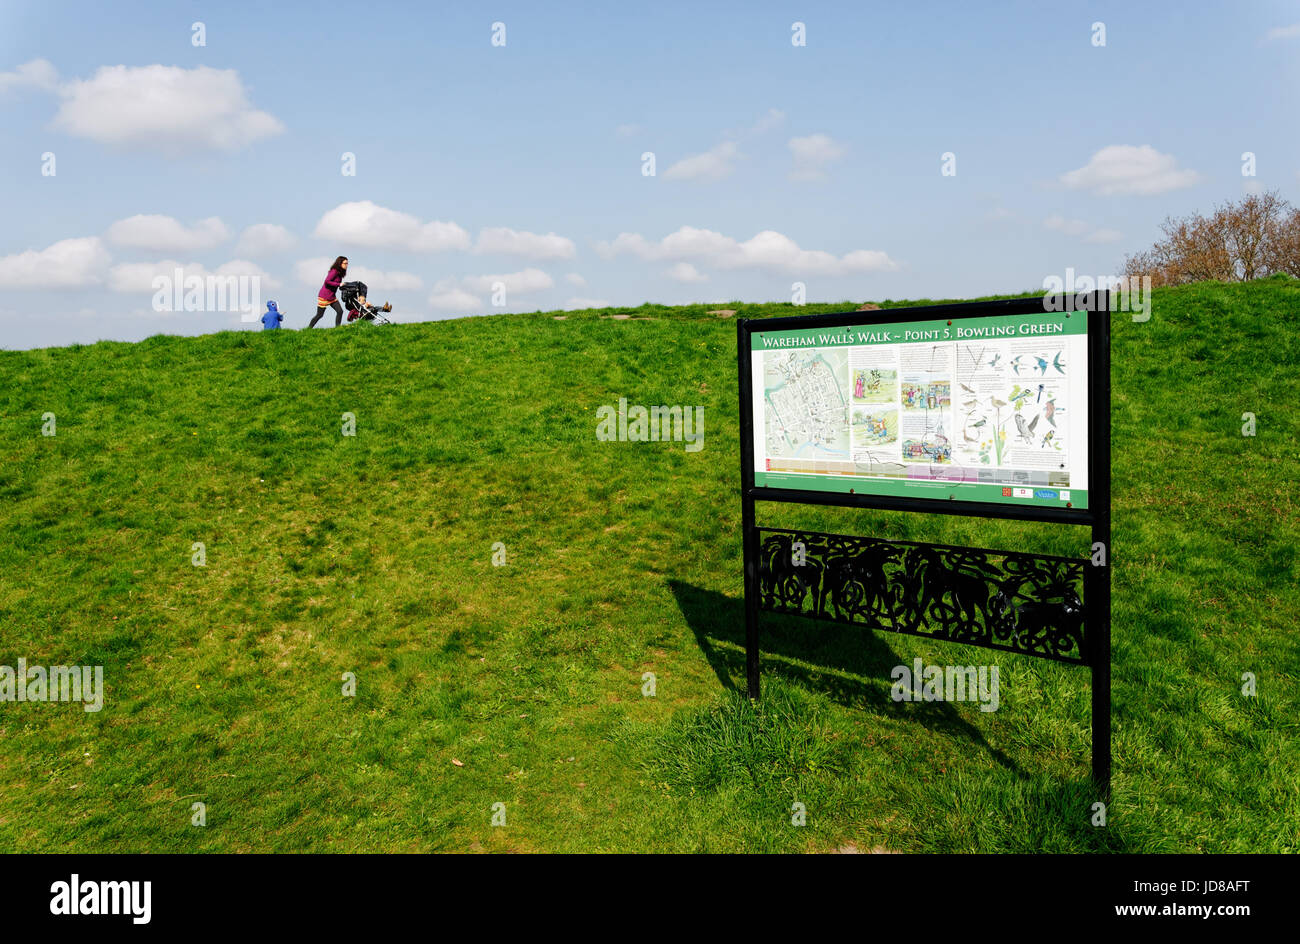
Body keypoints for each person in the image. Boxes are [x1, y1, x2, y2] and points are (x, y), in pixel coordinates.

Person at [308, 256, 348, 327]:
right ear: (340, 263)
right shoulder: (334, 271)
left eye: (347, 263)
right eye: (345, 263)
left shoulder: (340, 273)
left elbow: (336, 285)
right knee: (319, 315)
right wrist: (339, 284)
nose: (346, 265)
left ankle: (337, 328)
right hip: (324, 296)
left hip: (332, 297)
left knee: (340, 311)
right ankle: (308, 329)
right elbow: (327, 281)